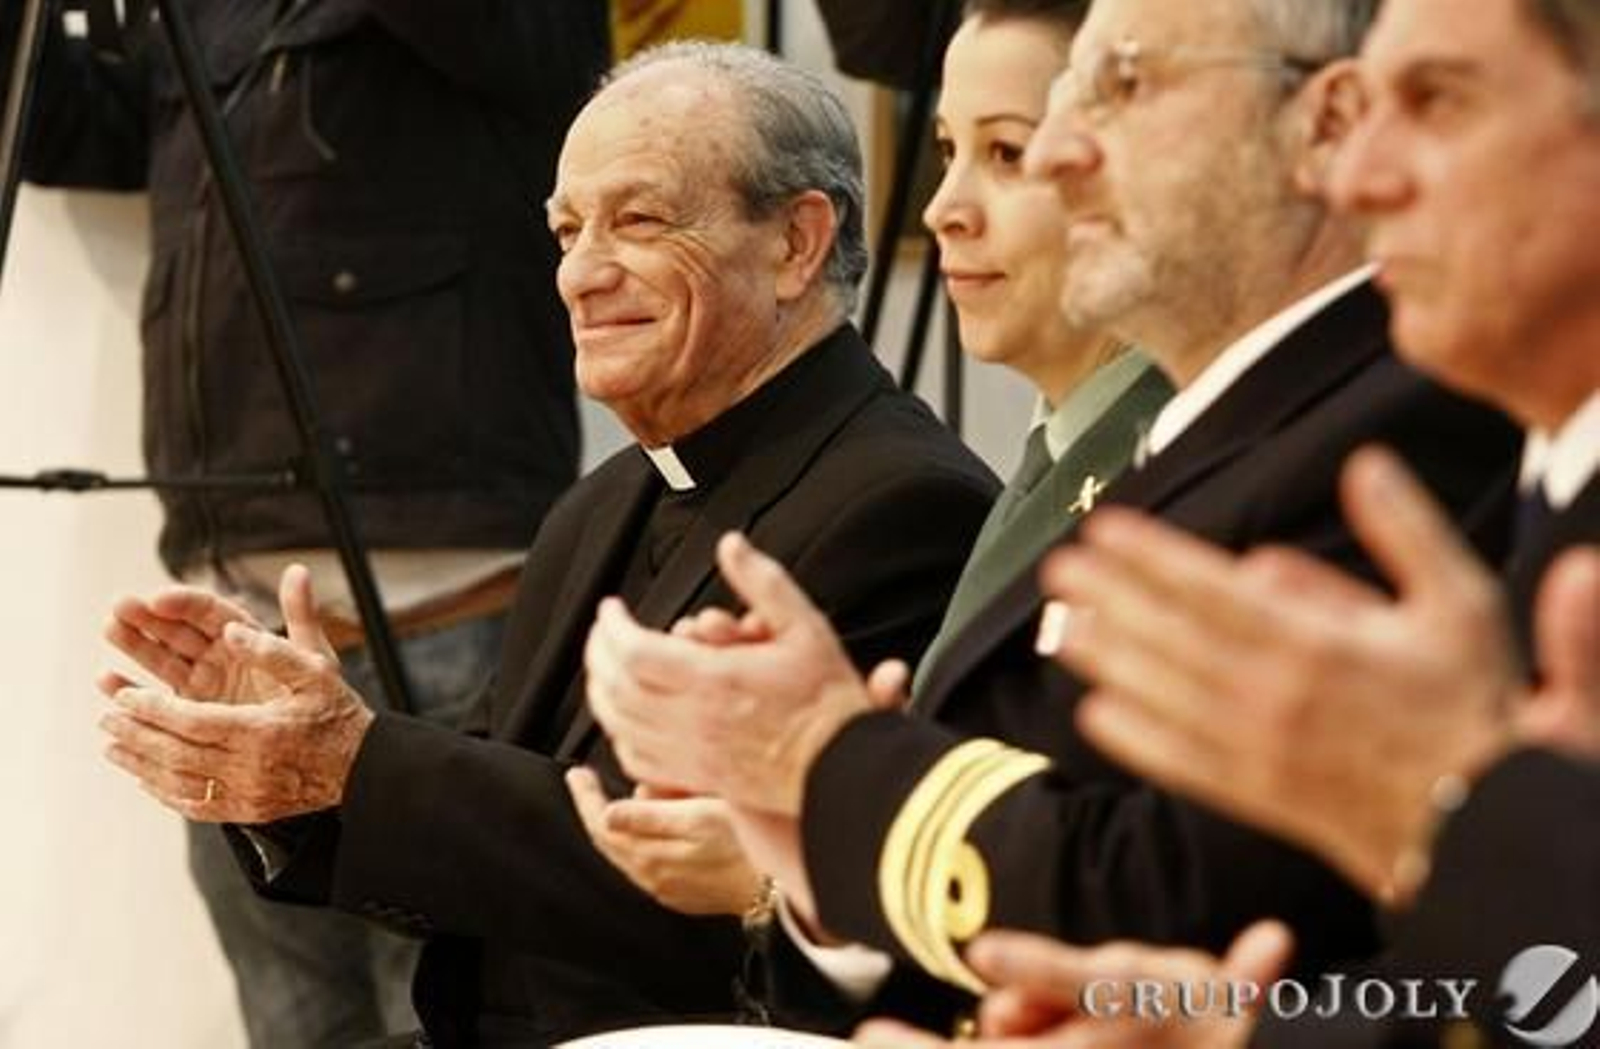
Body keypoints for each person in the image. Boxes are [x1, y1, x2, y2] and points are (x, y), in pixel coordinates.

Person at [582, 0, 1526, 1036]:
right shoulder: (1233, 423)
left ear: (1323, 120)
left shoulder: (1379, 437)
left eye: (1123, 88)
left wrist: (827, 760)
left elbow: (1184, 887)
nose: (1071, 153)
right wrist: (814, 836)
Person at [96, 41, 999, 1047]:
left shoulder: (903, 502)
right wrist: (293, 768)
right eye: (567, 231)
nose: (580, 272)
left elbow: (689, 875)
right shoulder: (605, 498)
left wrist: (358, 760)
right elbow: (495, 815)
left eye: (639, 221)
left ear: (795, 243)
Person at [859, 0, 1600, 1044]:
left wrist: (1455, 808)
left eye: (1436, 100)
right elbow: (1508, 998)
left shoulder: (1399, 436)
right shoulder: (1541, 465)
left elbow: (1166, 875)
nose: (1359, 175)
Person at [14, 2, 607, 1044]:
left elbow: (532, 53)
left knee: (452, 1001)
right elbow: (76, 126)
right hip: (240, 614)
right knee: (290, 1014)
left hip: (442, 603)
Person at [559, 0, 1171, 950]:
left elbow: (1137, 884)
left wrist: (791, 861)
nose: (940, 205)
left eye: (1007, 154)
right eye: (945, 148)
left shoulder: (922, 496)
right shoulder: (1055, 457)